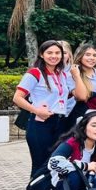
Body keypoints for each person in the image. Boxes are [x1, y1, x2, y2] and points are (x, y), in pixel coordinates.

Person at [14, 41, 85, 182]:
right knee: (40, 163)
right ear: (42, 54)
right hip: (41, 123)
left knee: (54, 162)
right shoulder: (35, 73)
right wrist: (36, 110)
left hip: (60, 123)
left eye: (57, 53)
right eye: (49, 53)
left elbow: (81, 96)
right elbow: (17, 97)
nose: (54, 56)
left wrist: (76, 76)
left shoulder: (62, 75)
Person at [70, 43, 96, 120]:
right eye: (87, 55)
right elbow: (82, 97)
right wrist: (77, 76)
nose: (92, 58)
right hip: (81, 118)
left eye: (94, 55)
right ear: (80, 56)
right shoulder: (71, 75)